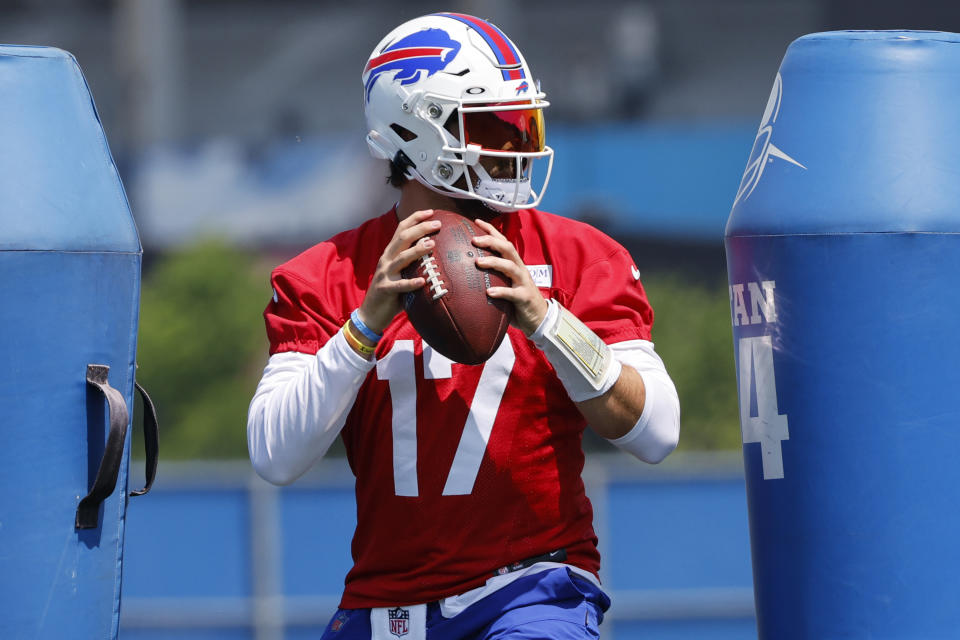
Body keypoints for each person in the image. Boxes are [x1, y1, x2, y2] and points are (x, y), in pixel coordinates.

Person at [247, 12, 680, 640]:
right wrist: (363, 328)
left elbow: (656, 431)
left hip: (531, 592)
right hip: (385, 606)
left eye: (521, 123)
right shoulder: (328, 276)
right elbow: (275, 456)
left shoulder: (580, 257)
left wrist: (546, 319)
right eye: (493, 128)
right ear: (412, 132)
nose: (517, 147)